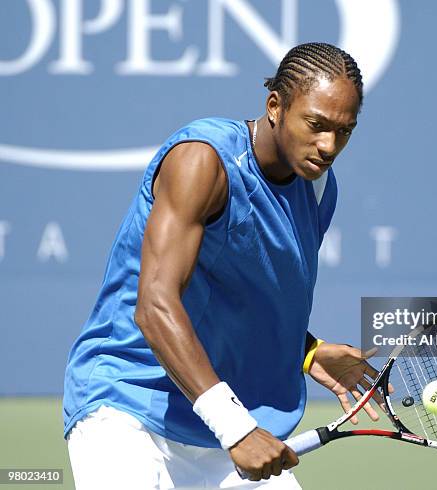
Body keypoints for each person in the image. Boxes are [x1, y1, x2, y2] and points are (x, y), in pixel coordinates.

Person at [63, 42, 383, 489]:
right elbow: (154, 304)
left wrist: (304, 350)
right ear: (275, 106)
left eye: (344, 131)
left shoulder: (318, 189)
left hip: (227, 422)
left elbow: (239, 295)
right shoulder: (203, 160)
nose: (328, 145)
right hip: (131, 408)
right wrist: (234, 427)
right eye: (316, 125)